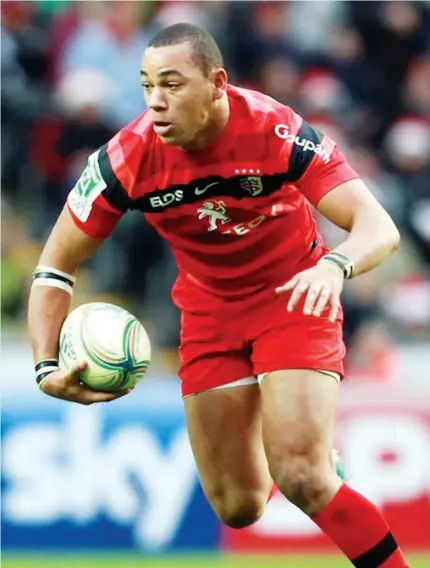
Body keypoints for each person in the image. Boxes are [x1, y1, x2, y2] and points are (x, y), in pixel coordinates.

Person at [28, 24, 407, 568]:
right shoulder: (125, 159)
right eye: (146, 85)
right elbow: (55, 265)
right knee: (239, 506)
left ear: (217, 84)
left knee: (301, 476)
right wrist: (45, 367)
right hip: (207, 311)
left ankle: (313, 461)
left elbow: (379, 227)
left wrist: (334, 265)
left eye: (173, 84)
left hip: (293, 295)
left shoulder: (276, 131)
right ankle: (310, 452)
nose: (156, 102)